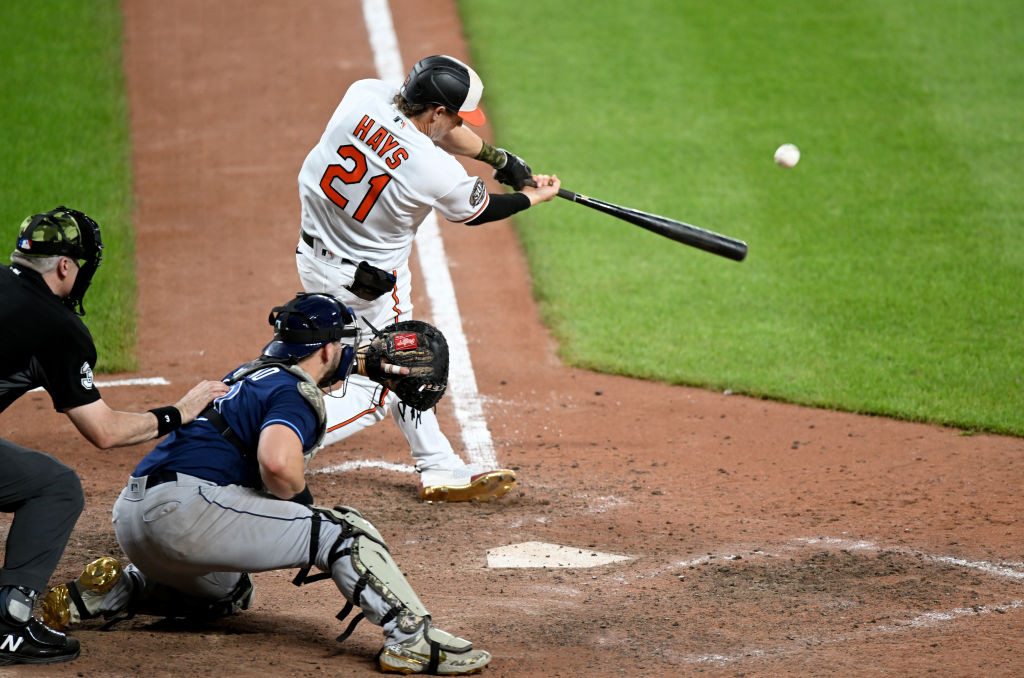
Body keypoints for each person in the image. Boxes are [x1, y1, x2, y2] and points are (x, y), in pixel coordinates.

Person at [39, 292, 492, 675]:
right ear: (329, 350)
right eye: (344, 344)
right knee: (341, 532)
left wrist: (367, 369)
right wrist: (306, 509)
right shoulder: (294, 393)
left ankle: (119, 588)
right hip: (184, 513)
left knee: (229, 590)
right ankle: (412, 636)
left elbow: (313, 371)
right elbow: (277, 465)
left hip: (136, 518)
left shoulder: (251, 374)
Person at [296, 54, 560, 502]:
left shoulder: (364, 93)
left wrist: (501, 159)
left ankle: (438, 464)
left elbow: (438, 131)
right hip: (370, 285)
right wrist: (533, 196)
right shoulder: (431, 168)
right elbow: (479, 212)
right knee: (388, 382)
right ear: (438, 111)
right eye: (456, 115)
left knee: (399, 364)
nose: (459, 123)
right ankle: (267, 439)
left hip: (314, 259)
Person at [0, 206, 228, 665]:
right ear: (65, 266)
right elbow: (103, 432)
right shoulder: (58, 328)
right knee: (55, 487)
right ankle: (9, 622)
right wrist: (177, 412)